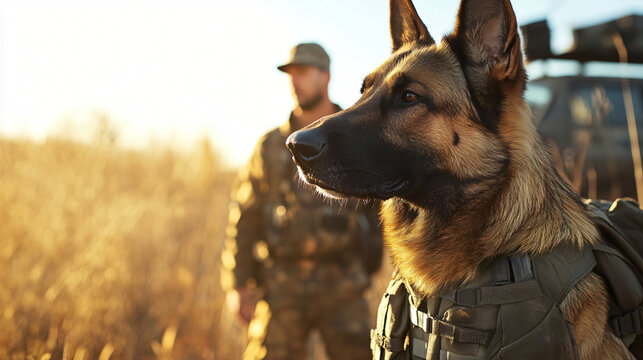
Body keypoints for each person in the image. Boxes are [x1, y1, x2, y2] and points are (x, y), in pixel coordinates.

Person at [221, 42, 383, 359]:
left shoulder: (355, 136)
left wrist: (370, 262)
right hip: (282, 286)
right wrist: (238, 285)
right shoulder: (270, 146)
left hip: (343, 285)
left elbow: (383, 209)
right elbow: (244, 215)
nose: (295, 82)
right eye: (291, 74)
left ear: (325, 76)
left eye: (304, 73)